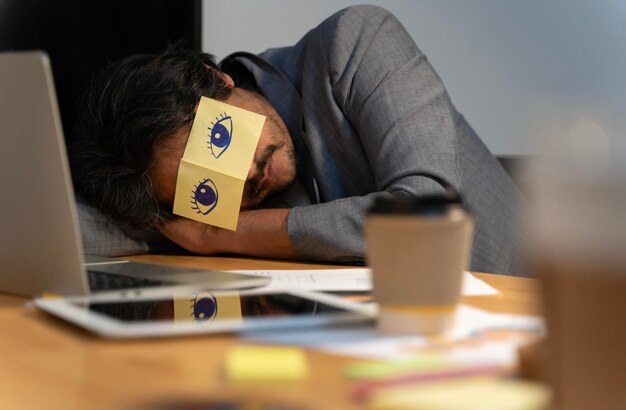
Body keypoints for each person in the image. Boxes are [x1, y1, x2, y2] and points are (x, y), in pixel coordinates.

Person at [71, 5, 528, 276]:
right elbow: (70, 227)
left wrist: (219, 231)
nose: (244, 176)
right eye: (208, 189)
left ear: (216, 79)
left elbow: (429, 217)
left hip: (528, 321)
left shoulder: (357, 42)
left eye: (220, 141)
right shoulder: (174, 194)